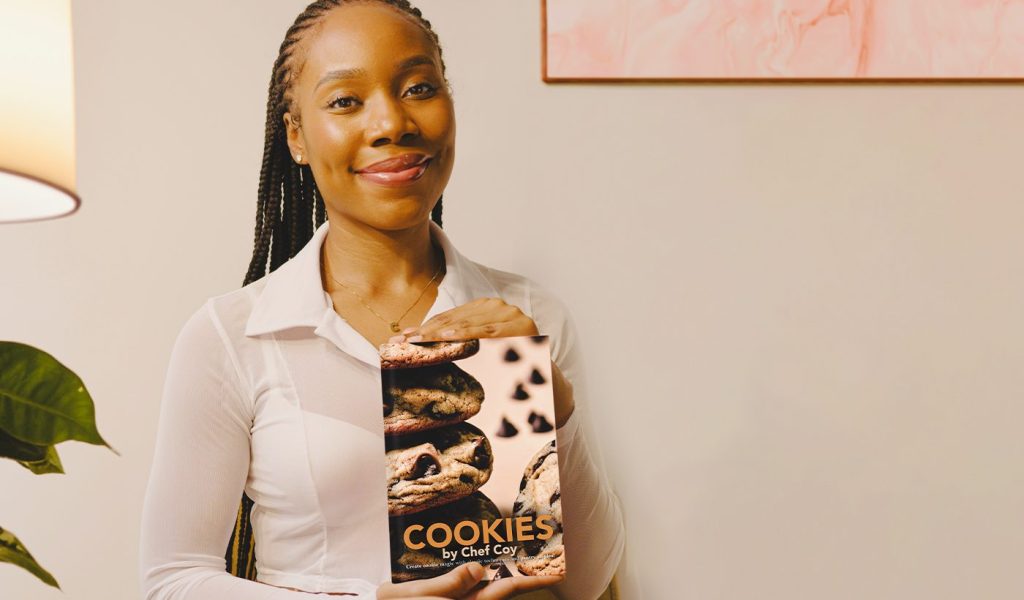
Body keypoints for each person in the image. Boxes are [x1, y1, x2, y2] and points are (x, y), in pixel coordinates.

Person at [139, 1, 625, 598]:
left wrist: (555, 403)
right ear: (296, 136)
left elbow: (590, 580)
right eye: (346, 100)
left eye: (419, 87)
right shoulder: (234, 334)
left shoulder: (526, 314)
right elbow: (172, 581)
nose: (392, 121)